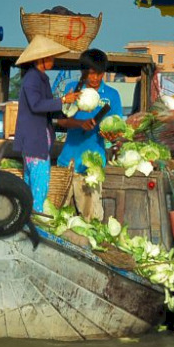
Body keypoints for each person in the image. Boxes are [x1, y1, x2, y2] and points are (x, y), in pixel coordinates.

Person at [13, 35, 79, 213]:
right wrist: (64, 99)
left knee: (30, 189)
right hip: (35, 145)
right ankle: (35, 223)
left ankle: (27, 221)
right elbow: (37, 105)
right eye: (50, 57)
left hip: (38, 144)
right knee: (38, 191)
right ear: (40, 59)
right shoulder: (32, 78)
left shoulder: (40, 78)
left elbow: (49, 108)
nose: (53, 60)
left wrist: (68, 105)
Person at [56, 49, 122, 220]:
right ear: (83, 72)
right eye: (91, 74)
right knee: (58, 218)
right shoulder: (73, 90)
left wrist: (110, 135)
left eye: (99, 74)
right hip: (67, 162)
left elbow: (117, 128)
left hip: (92, 168)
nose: (95, 78)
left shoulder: (112, 96)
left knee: (90, 220)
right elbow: (61, 121)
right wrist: (80, 124)